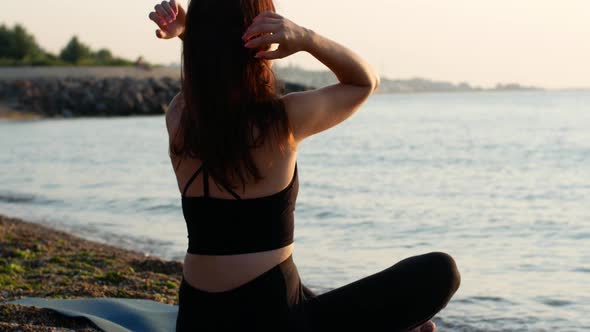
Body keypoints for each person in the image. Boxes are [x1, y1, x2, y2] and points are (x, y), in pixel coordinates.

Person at [148, 1, 461, 331]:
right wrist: (306, 38)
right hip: (274, 320)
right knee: (441, 271)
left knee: (307, 296)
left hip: (198, 318)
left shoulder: (180, 116)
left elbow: (211, 84)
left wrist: (192, 35)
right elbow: (364, 81)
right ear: (257, 38)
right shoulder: (283, 122)